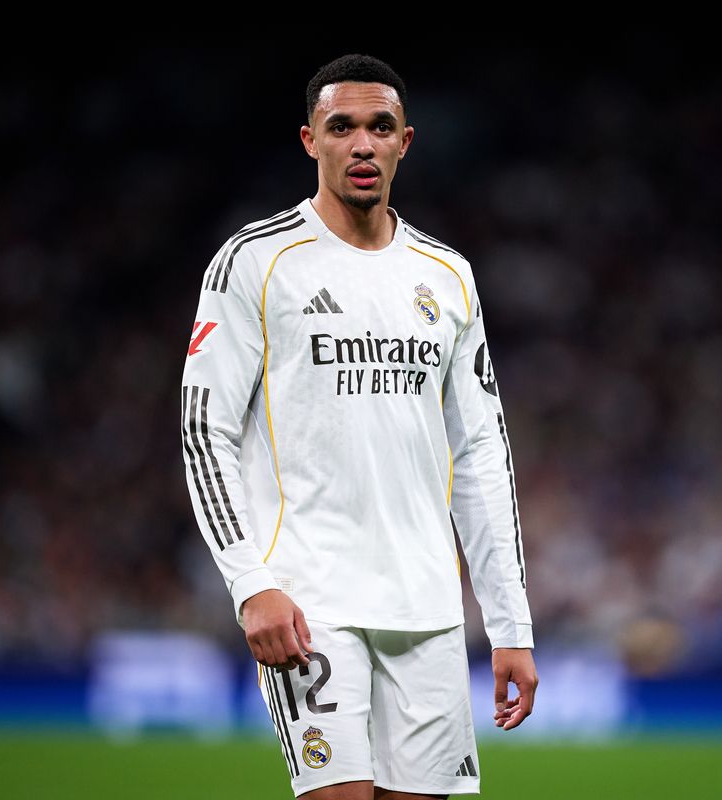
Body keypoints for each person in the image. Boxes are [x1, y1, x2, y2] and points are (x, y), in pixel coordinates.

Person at [179, 53, 537, 799]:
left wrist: (510, 623)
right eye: (342, 127)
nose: (362, 144)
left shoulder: (447, 275)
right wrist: (252, 586)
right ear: (310, 140)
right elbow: (201, 430)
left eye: (380, 127)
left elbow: (480, 454)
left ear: (407, 141)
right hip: (312, 601)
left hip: (427, 608)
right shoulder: (255, 261)